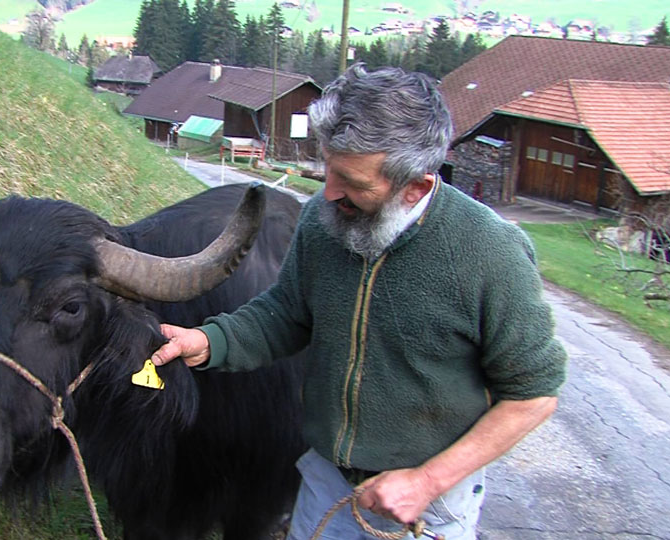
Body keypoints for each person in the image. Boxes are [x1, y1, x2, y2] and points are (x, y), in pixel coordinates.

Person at [150, 64, 566, 540]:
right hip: (325, 485)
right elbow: (287, 313)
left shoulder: (490, 255)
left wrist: (428, 481)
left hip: (425, 507)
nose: (327, 193)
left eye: (353, 182)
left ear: (416, 187)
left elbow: (534, 394)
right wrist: (209, 341)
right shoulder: (323, 220)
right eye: (328, 169)